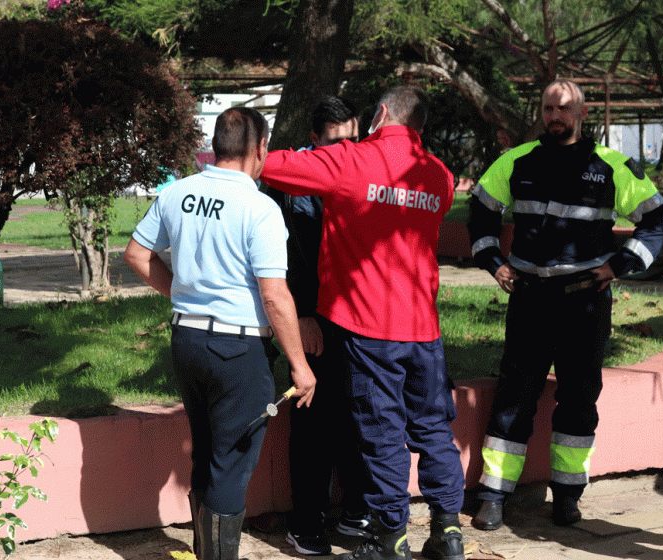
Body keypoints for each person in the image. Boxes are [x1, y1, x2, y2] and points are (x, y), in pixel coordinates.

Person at [259, 85, 466, 560]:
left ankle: (389, 538)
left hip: (367, 327)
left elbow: (273, 166)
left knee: (383, 432)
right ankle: (448, 530)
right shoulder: (439, 176)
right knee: (435, 428)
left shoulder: (352, 161)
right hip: (424, 329)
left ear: (380, 115)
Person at [466, 79, 663, 530]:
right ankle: (495, 495)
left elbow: (656, 217)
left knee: (580, 396)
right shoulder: (517, 161)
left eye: (563, 109)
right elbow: (480, 210)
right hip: (530, 299)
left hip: (586, 303)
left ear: (581, 112)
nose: (554, 116)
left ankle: (567, 494)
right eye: (547, 108)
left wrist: (619, 266)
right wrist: (493, 263)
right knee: (514, 395)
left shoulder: (610, 166)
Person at [123, 107, 317, 560]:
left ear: (217, 145)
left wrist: (182, 293)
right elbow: (275, 296)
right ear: (259, 150)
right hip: (239, 349)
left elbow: (136, 254)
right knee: (232, 464)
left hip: (187, 341)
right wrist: (300, 365)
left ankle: (205, 552)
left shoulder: (178, 193)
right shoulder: (261, 208)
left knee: (208, 452)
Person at [267, 96, 372, 556]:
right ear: (314, 140)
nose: (346, 150)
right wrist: (301, 316)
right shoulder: (291, 184)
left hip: (361, 316)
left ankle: (355, 512)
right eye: (335, 143)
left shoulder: (366, 170)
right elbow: (281, 256)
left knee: (357, 412)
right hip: (311, 317)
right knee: (312, 419)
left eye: (353, 139)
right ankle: (306, 520)